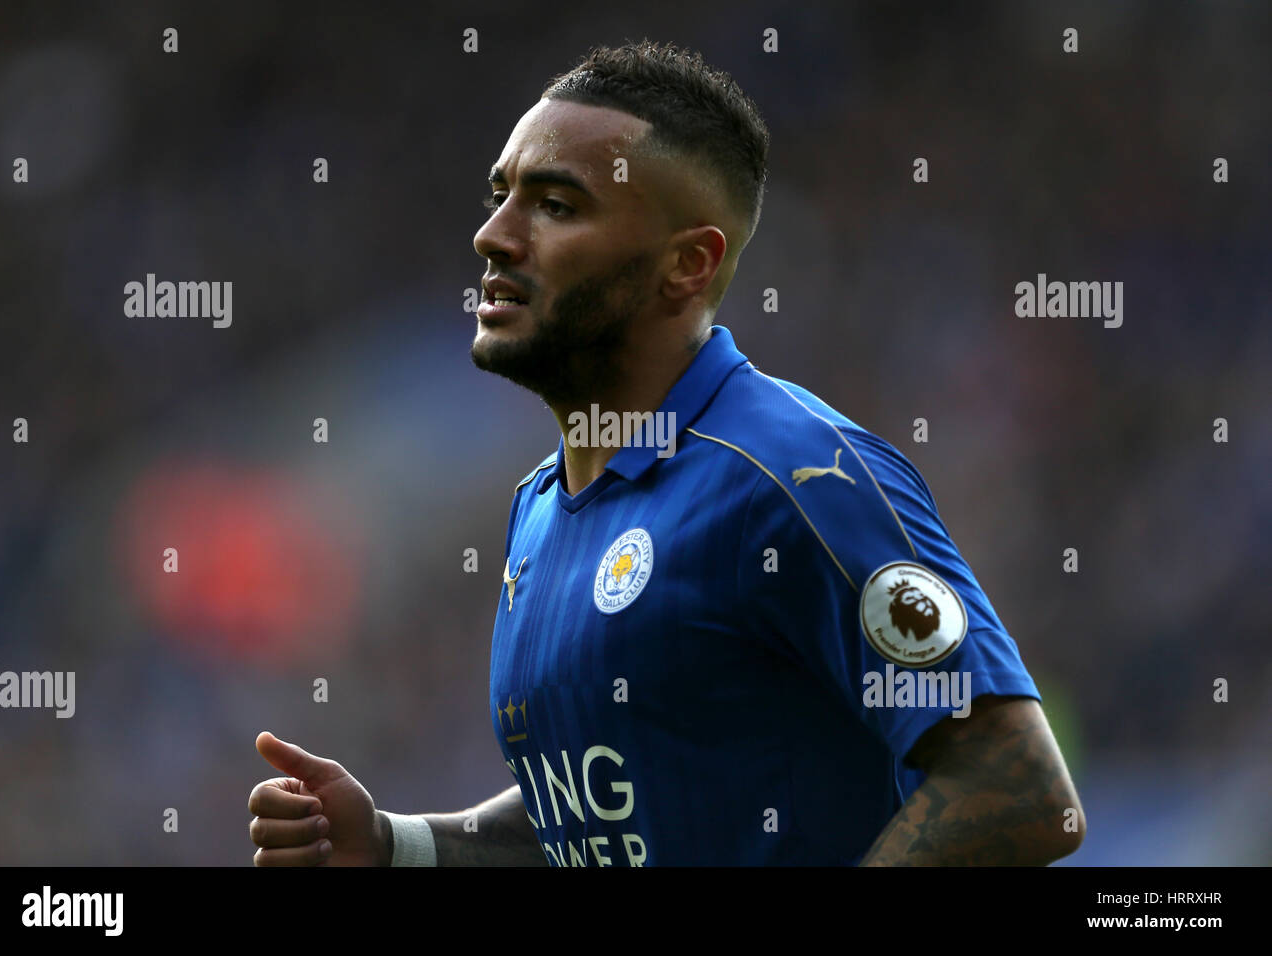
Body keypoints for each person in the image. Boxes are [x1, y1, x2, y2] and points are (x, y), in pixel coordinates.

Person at [248, 39, 1084, 867]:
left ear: (687, 265)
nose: (493, 235)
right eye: (500, 195)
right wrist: (399, 846)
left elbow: (1016, 787)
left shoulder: (795, 477)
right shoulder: (539, 514)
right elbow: (617, 817)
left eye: (557, 205)